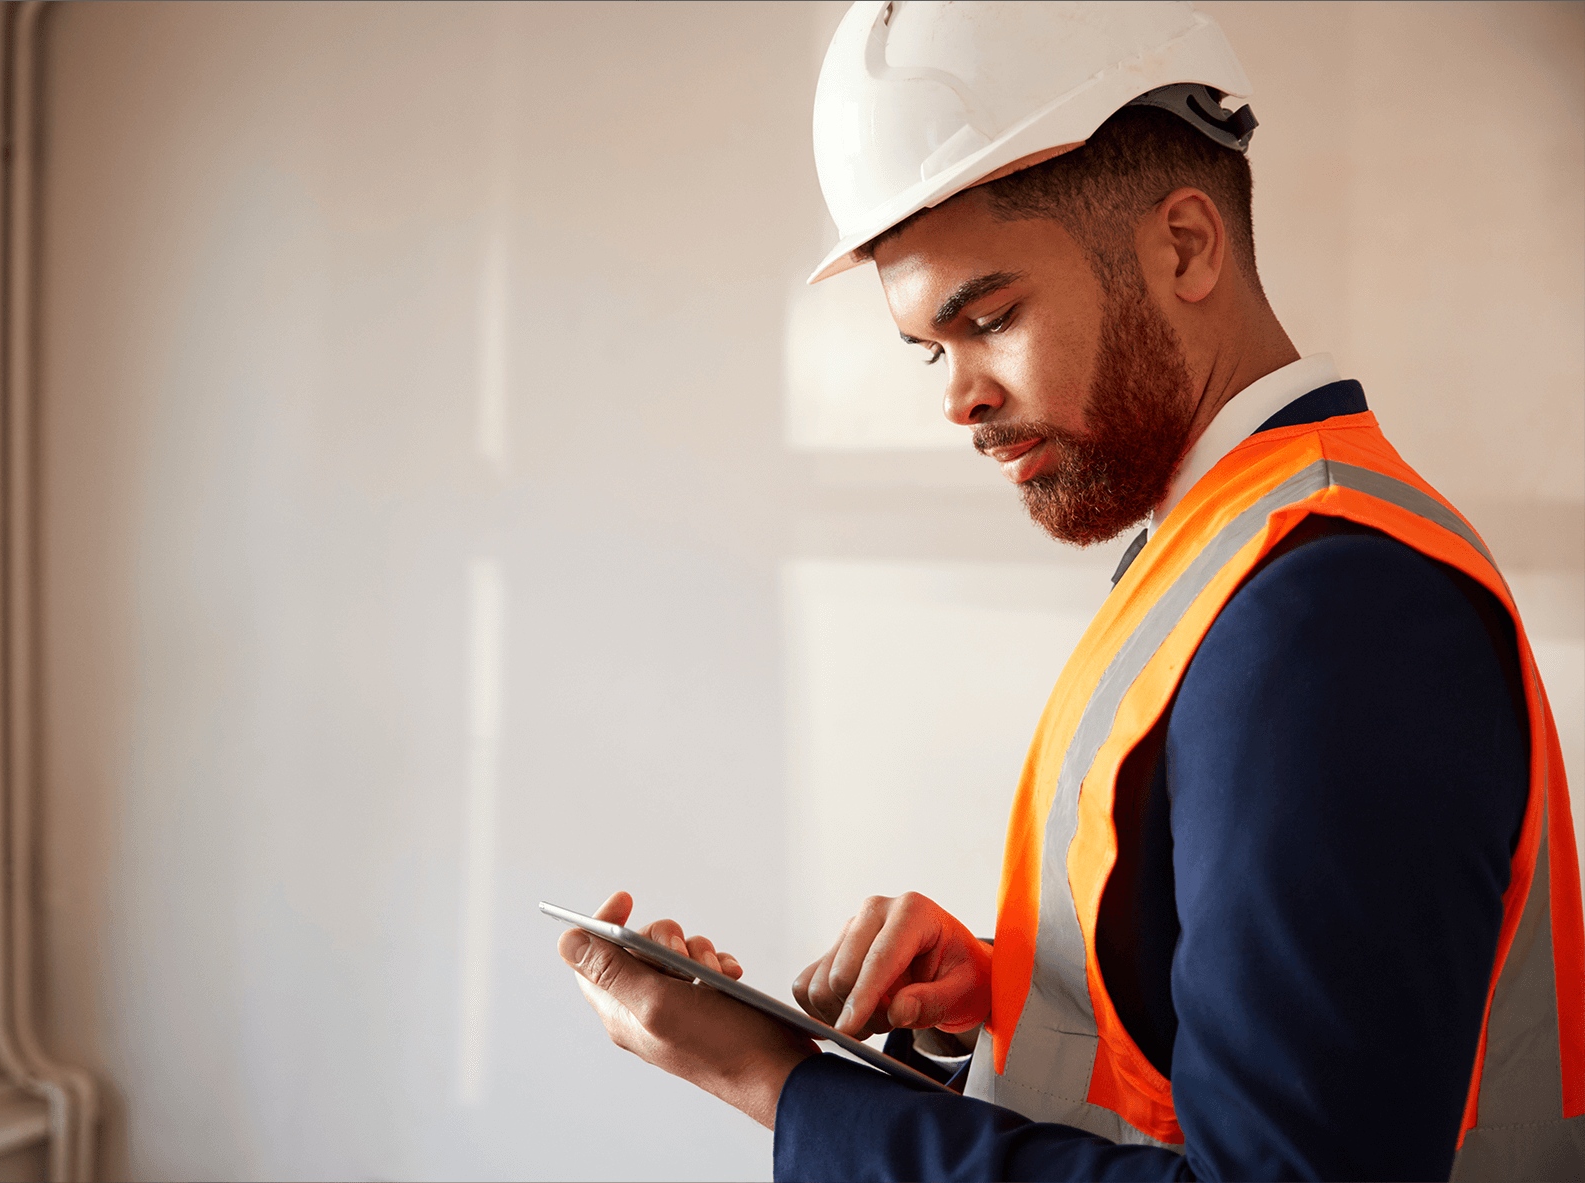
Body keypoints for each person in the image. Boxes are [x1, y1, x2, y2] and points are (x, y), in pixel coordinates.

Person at [554, 3, 1585, 1178]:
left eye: (988, 318)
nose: (958, 399)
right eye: (931, 350)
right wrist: (1005, 995)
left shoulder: (1331, 611)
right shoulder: (1230, 552)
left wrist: (771, 1083)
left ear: (1186, 246)